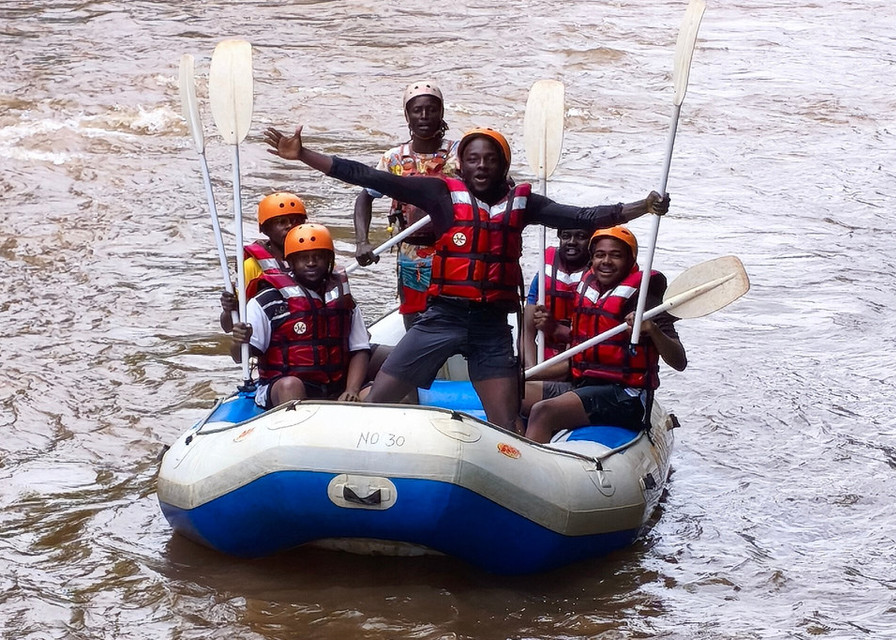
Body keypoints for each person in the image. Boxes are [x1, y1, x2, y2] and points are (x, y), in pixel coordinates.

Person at [262, 123, 668, 433]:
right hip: (442, 318)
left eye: (490, 159)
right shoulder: (440, 195)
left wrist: (643, 206)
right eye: (473, 158)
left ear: (503, 164)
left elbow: (584, 216)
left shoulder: (522, 204)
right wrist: (304, 155)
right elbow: (371, 178)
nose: (481, 166)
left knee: (505, 425)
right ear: (461, 163)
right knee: (380, 396)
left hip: (491, 326)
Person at [524, 226, 686, 443]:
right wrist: (524, 374)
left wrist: (653, 330)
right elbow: (578, 360)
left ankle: (531, 468)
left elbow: (679, 361)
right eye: (600, 255)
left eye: (616, 255)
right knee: (511, 391)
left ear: (630, 260)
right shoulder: (589, 289)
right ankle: (517, 448)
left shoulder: (646, 298)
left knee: (543, 411)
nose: (606, 261)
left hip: (626, 396)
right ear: (592, 260)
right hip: (584, 385)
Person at [353, 80, 459, 330]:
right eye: (417, 110)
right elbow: (365, 197)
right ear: (407, 115)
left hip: (454, 252)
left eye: (432, 109)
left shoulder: (461, 153)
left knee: (455, 321)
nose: (424, 116)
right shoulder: (393, 159)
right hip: (412, 256)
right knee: (415, 325)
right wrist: (362, 241)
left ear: (441, 113)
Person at [230, 223, 371, 407]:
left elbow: (359, 348)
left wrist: (352, 389)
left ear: (329, 260)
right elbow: (239, 357)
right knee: (291, 386)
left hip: (337, 386)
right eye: (303, 258)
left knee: (376, 390)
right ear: (291, 262)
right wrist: (237, 341)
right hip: (283, 386)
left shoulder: (344, 301)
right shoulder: (268, 301)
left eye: (318, 257)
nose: (311, 263)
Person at [219, 191, 308, 334]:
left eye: (295, 221)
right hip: (272, 338)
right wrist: (229, 309)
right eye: (281, 222)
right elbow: (229, 326)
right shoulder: (252, 266)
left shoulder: (317, 260)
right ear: (265, 229)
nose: (290, 226)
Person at [522, 227, 592, 368]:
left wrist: (555, 329)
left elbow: (594, 339)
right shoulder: (545, 272)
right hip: (544, 355)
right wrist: (532, 368)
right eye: (566, 235)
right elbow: (527, 332)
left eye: (581, 236)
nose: (572, 242)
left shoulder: (598, 276)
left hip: (579, 359)